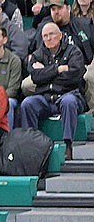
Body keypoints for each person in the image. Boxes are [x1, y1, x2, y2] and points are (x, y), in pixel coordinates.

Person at [21, 23, 87, 160]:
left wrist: (46, 74)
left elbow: (74, 77)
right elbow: (35, 77)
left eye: (52, 34)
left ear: (60, 35)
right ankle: (30, 146)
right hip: (45, 97)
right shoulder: (37, 54)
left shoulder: (74, 51)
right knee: (28, 103)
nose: (49, 38)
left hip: (69, 94)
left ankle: (67, 145)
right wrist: (58, 69)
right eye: (45, 36)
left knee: (69, 102)